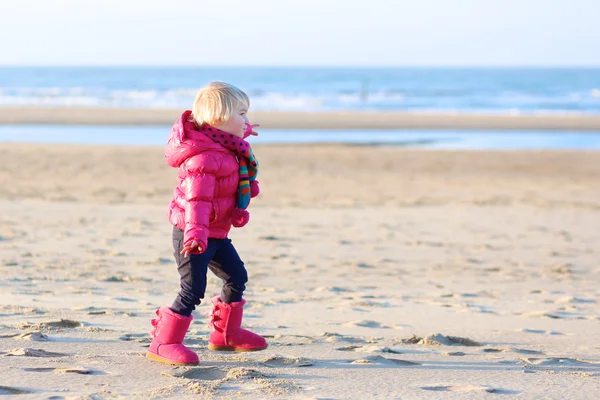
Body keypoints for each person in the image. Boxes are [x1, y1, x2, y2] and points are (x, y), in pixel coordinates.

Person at [146, 81, 267, 366]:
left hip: (216, 232)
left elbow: (228, 136)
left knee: (236, 276)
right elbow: (197, 201)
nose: (246, 120)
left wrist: (244, 129)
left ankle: (226, 334)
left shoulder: (227, 146)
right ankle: (164, 342)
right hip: (194, 232)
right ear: (218, 118)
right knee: (193, 288)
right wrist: (196, 234)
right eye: (241, 114)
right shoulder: (203, 158)